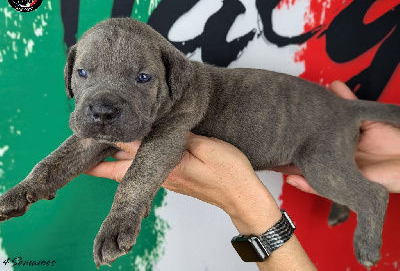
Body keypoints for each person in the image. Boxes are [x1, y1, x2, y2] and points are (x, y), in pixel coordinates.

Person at [86, 81, 400, 270]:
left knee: (323, 168)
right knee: (330, 171)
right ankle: (345, 194)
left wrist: (246, 207)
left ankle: (367, 200)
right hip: (318, 115)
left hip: (317, 126)